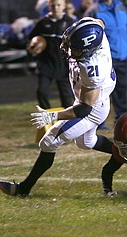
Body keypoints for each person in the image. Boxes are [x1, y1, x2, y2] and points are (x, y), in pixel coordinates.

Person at [0, 17, 116, 197]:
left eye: (74, 48)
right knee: (86, 142)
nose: (68, 49)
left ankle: (23, 189)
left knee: (48, 141)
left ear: (88, 50)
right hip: (93, 103)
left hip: (91, 110)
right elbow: (99, 22)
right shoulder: (93, 30)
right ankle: (126, 153)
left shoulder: (93, 68)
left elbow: (84, 108)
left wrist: (52, 116)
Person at [86, 0, 127, 123]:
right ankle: (97, 121)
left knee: (121, 88)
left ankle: (121, 119)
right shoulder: (94, 11)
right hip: (105, 57)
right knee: (101, 92)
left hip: (123, 53)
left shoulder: (121, 6)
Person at [27, 0, 75, 110]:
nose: (56, 8)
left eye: (58, 5)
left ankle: (67, 123)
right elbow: (31, 40)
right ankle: (46, 116)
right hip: (46, 63)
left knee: (67, 98)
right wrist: (31, 48)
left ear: (64, 5)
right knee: (41, 91)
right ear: (49, 6)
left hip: (63, 64)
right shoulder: (43, 23)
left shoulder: (69, 22)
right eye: (53, 5)